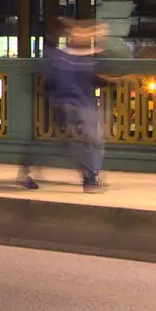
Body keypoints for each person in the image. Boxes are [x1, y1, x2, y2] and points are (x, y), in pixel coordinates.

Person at [29, 19, 107, 193]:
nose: (82, 37)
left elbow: (91, 79)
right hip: (69, 104)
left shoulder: (83, 57)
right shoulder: (64, 57)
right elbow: (56, 81)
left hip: (83, 104)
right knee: (82, 141)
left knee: (85, 141)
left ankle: (91, 175)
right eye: (78, 34)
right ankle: (91, 176)